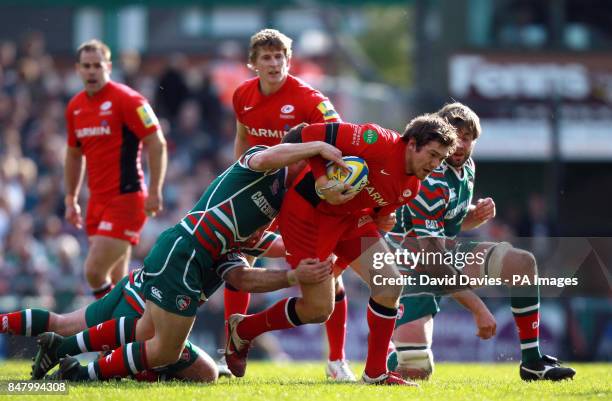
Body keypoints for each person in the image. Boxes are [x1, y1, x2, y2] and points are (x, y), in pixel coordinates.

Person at [45, 140, 345, 382]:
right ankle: (83, 373)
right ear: (298, 155)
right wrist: (318, 146)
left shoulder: (254, 226)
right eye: (310, 164)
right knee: (161, 350)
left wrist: (309, 258)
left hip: (185, 254)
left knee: (189, 362)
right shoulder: (263, 165)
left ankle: (64, 349)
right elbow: (268, 158)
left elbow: (251, 270)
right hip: (185, 253)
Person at [225, 115, 458, 385]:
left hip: (350, 220)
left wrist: (380, 219)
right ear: (412, 143)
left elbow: (375, 214)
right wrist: (322, 179)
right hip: (306, 216)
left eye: (440, 159)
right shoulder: (376, 139)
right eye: (432, 154)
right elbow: (305, 134)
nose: (434, 164)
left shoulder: (411, 188)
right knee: (318, 310)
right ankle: (243, 328)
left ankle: (375, 373)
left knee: (390, 284)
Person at [385, 102, 575, 381]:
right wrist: (479, 309)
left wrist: (474, 215)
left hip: (440, 255)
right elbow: (433, 263)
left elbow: (448, 226)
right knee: (415, 369)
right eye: (456, 136)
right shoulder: (430, 177)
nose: (462, 144)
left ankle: (533, 362)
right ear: (441, 136)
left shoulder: (467, 168)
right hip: (408, 268)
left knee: (521, 262)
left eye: (469, 137)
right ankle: (383, 352)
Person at [0, 230, 327, 382]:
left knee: (61, 320)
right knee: (204, 372)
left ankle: (21, 329)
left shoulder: (219, 223)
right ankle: (79, 366)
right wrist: (296, 273)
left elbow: (274, 244)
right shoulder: (234, 243)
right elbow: (246, 276)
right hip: (147, 308)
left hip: (132, 285)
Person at [227, 28, 353, 381]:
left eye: (279, 56)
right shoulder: (242, 95)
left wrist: (327, 185)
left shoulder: (309, 99)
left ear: (288, 60)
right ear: (253, 64)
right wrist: (236, 181)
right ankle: (231, 349)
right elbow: (242, 137)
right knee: (238, 263)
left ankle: (337, 360)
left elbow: (337, 138)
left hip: (304, 199)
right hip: (260, 194)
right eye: (266, 57)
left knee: (326, 271)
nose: (274, 62)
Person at [64, 39, 167, 299]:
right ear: (78, 69)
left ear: (108, 66)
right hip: (96, 202)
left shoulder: (128, 100)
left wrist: (155, 190)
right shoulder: (75, 107)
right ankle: (129, 332)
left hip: (127, 199)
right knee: (117, 280)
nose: (91, 71)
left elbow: (157, 143)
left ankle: (113, 325)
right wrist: (71, 198)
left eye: (97, 65)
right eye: (86, 66)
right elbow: (74, 155)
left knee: (94, 272)